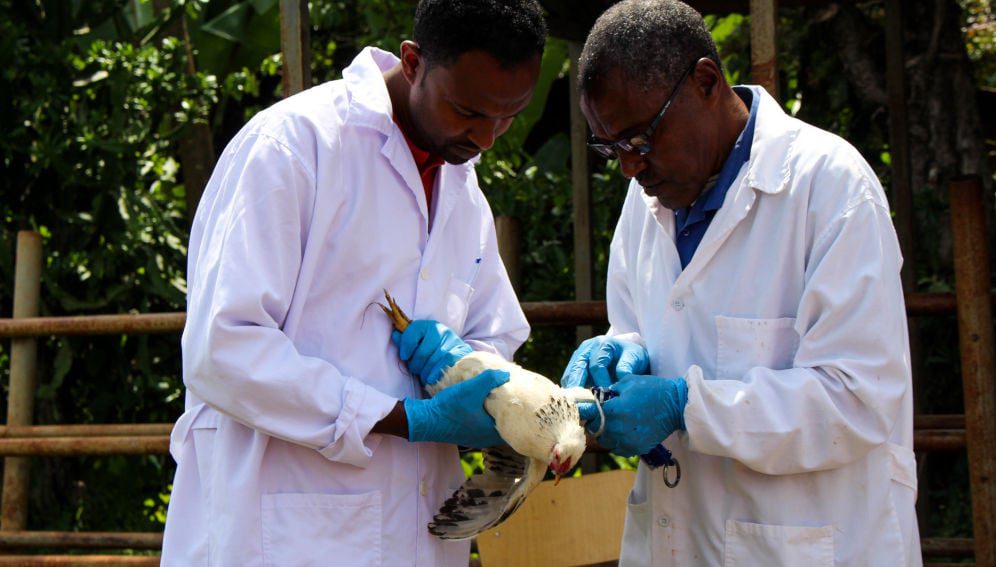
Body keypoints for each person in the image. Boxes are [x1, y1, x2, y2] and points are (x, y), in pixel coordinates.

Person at [161, 1, 546, 564]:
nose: (487, 138)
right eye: (468, 111)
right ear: (412, 63)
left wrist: (471, 375)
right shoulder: (294, 147)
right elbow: (222, 349)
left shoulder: (462, 188)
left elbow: (496, 333)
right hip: (284, 533)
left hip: (415, 537)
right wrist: (406, 419)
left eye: (508, 116)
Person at [561, 1, 921, 565]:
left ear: (706, 82)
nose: (630, 167)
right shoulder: (647, 198)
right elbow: (647, 327)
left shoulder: (830, 186)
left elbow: (857, 398)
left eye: (640, 140)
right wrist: (621, 351)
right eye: (612, 149)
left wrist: (687, 405)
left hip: (808, 544)